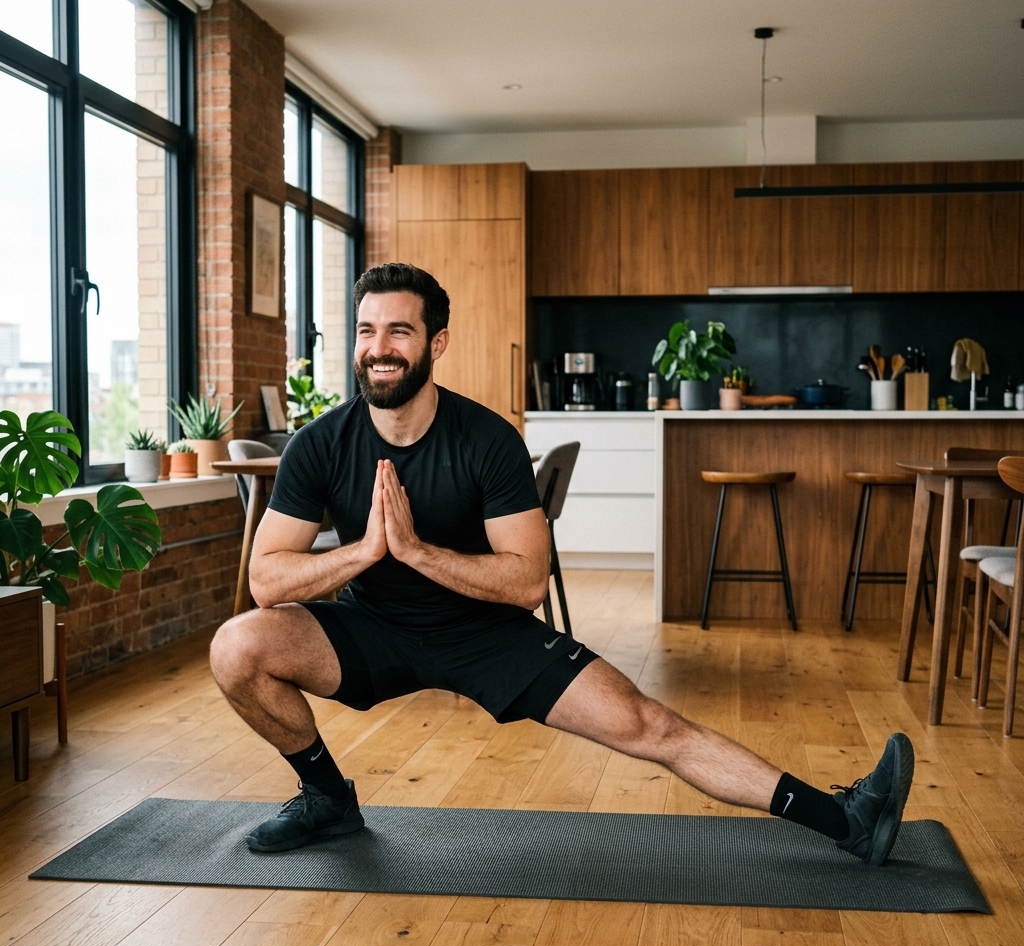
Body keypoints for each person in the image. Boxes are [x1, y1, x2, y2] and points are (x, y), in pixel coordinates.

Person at [209, 263, 914, 868]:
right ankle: (328, 800)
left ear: (437, 342)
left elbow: (524, 583)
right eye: (367, 331)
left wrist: (418, 551)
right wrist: (366, 551)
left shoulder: (487, 440)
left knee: (648, 724)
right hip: (371, 631)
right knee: (238, 645)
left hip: (485, 634)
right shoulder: (320, 445)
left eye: (400, 331)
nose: (379, 348)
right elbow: (267, 580)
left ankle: (847, 822)